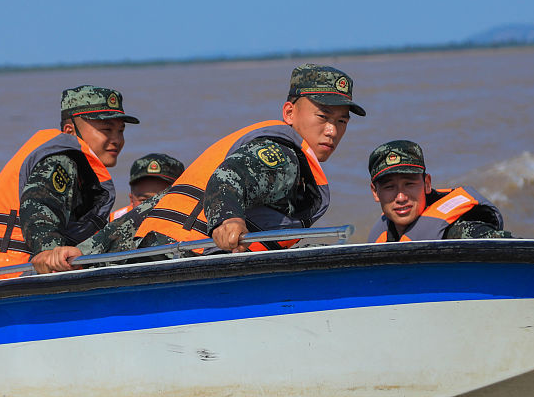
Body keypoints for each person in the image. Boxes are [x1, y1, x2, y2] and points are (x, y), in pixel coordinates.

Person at [31, 63, 365, 273]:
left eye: (341, 121)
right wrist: (227, 219)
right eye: (322, 117)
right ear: (290, 113)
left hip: (153, 258)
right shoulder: (282, 155)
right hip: (180, 265)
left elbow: (151, 210)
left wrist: (84, 253)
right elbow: (227, 180)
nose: (332, 130)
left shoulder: (276, 148)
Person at [0, 85, 137, 275]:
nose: (117, 139)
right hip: (8, 277)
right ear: (70, 131)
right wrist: (48, 250)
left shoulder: (63, 164)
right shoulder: (63, 160)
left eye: (121, 131)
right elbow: (41, 203)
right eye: (107, 129)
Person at [365, 140, 510, 242]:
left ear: (427, 184)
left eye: (409, 184)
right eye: (389, 187)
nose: (401, 197)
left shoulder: (458, 232)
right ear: (375, 192)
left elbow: (518, 249)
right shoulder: (382, 236)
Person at [109, 153, 185, 220]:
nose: (153, 207)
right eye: (144, 200)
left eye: (162, 200)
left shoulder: (192, 225)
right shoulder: (112, 224)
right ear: (132, 199)